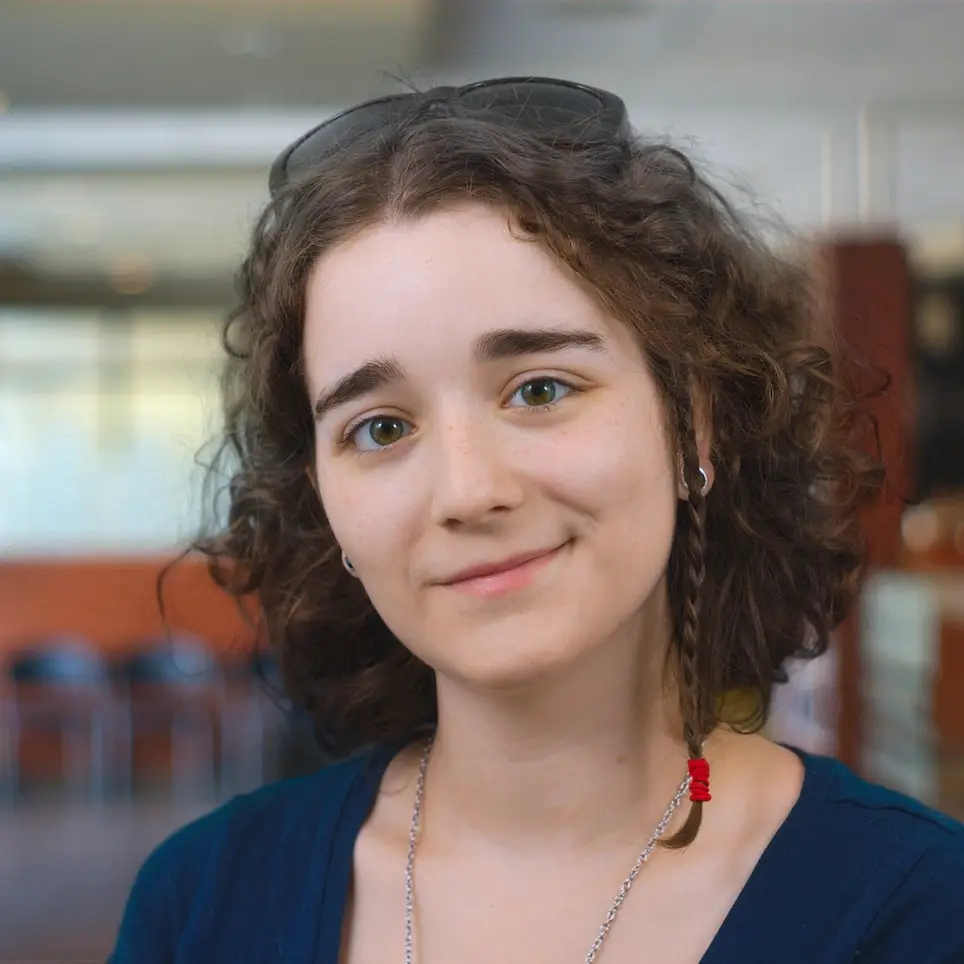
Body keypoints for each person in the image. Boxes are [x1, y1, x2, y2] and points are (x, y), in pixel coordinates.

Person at [109, 78, 964, 964]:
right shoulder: (202, 903)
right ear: (322, 496)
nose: (468, 491)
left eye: (540, 389)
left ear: (694, 423)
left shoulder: (918, 911)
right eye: (382, 428)